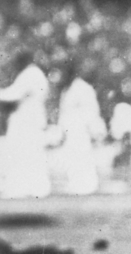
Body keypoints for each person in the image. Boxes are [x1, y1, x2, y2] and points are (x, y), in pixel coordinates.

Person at [0, 51, 51, 199]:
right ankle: (32, 189)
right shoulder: (34, 74)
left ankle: (23, 189)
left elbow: (14, 94)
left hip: (26, 120)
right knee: (28, 155)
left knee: (22, 154)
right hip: (30, 119)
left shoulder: (30, 74)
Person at [57, 61, 108, 195]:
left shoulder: (83, 87)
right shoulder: (66, 89)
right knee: (71, 159)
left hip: (80, 129)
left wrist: (95, 130)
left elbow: (92, 111)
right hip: (69, 130)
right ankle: (75, 187)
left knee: (83, 158)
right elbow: (63, 113)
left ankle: (87, 188)